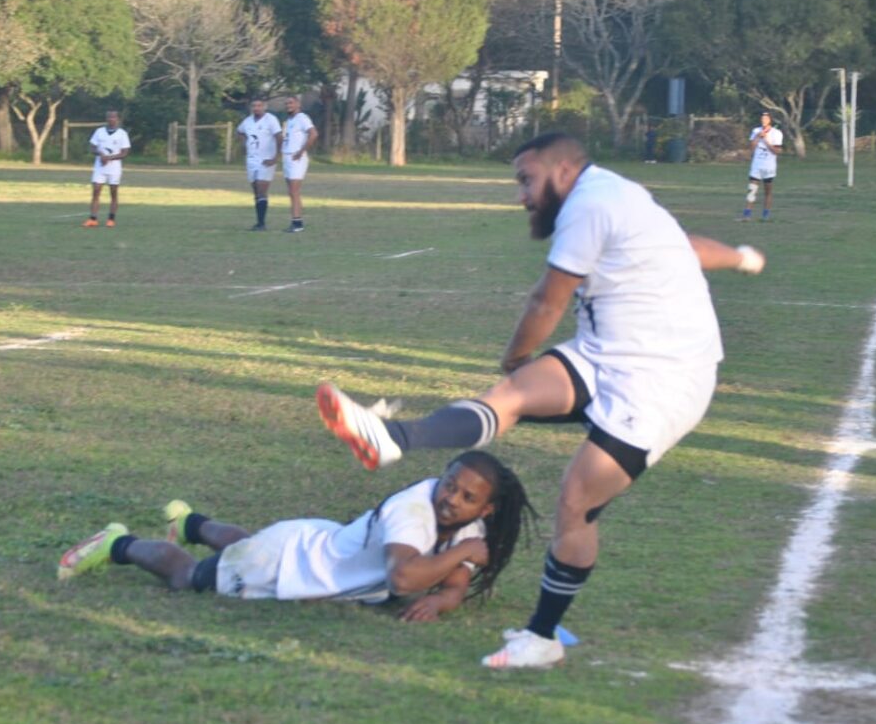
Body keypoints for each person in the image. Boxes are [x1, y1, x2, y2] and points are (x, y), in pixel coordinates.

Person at [314, 132, 766, 669]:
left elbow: (546, 302)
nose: (522, 195)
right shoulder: (620, 196)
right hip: (609, 352)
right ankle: (391, 438)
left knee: (576, 501)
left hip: (663, 380)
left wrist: (514, 357)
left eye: (527, 180)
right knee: (508, 399)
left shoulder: (590, 205)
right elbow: (688, 248)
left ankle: (542, 637)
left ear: (564, 171)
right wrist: (739, 256)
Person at [58, 451, 535, 623]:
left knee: (245, 548)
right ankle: (117, 544)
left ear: (486, 509)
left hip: (314, 545)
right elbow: (406, 577)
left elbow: (450, 587)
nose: (452, 498)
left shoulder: (471, 528)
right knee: (189, 577)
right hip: (291, 562)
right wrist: (465, 556)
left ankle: (191, 523)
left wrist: (442, 603)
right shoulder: (414, 512)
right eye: (450, 484)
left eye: (467, 496)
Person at [237, 97, 281, 231]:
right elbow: (239, 131)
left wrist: (276, 157)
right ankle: (259, 222)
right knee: (256, 190)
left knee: (262, 189)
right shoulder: (248, 121)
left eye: (259, 105)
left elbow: (279, 137)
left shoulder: (271, 120)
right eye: (254, 106)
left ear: (265, 107)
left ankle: (262, 223)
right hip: (251, 159)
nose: (256, 108)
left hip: (266, 160)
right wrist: (244, 144)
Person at [83, 109, 129, 228]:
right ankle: (93, 219)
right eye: (109, 117)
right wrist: (100, 154)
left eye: (113, 117)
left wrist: (110, 158)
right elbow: (92, 147)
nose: (111, 119)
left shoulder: (122, 134)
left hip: (114, 169)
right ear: (106, 119)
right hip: (100, 167)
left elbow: (124, 153)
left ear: (117, 119)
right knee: (96, 191)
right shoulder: (99, 132)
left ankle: (111, 219)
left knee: (113, 193)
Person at [281, 95, 317, 234]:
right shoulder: (288, 120)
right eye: (286, 103)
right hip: (287, 156)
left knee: (294, 191)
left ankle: (297, 223)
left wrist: (301, 151)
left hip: (297, 158)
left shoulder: (302, 118)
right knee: (291, 192)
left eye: (291, 102)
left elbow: (313, 134)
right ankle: (296, 221)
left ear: (298, 104)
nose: (288, 105)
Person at [741, 110, 782, 221]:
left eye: (766, 118)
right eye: (762, 118)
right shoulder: (756, 131)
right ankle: (747, 214)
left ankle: (765, 214)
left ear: (770, 120)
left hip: (769, 167)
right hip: (756, 165)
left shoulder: (776, 133)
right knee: (752, 189)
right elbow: (752, 148)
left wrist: (767, 141)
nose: (763, 120)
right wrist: (758, 137)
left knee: (767, 191)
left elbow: (777, 151)